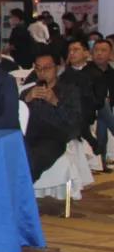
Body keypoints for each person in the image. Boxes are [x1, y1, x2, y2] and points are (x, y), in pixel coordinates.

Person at [22, 49, 82, 180]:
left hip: (53, 138)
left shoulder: (69, 90)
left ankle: (20, 191)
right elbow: (15, 116)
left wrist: (55, 101)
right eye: (38, 68)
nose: (42, 72)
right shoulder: (28, 91)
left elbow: (74, 121)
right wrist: (26, 100)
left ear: (57, 68)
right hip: (27, 136)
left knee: (33, 161)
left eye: (47, 68)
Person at [87, 39, 114, 171]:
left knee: (103, 124)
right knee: (103, 103)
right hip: (88, 108)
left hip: (104, 110)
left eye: (103, 50)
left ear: (110, 54)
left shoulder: (111, 72)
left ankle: (101, 161)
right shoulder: (87, 71)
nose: (99, 53)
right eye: (96, 50)